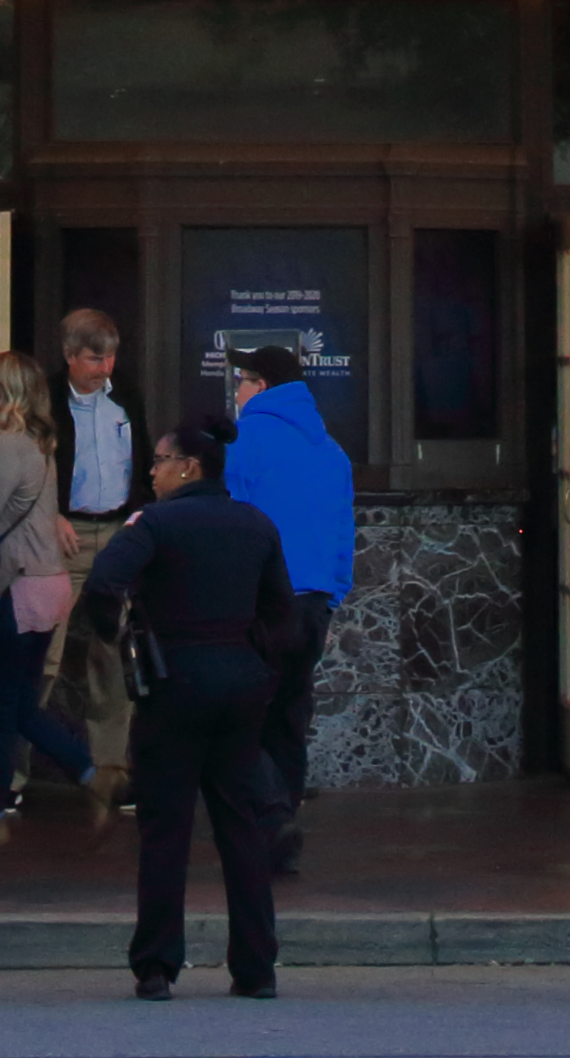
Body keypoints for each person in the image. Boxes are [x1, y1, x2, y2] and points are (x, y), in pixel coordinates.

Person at [88, 421, 296, 1003]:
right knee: (242, 825)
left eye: (158, 461)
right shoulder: (256, 524)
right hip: (239, 681)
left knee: (165, 827)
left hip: (173, 681)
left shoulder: (153, 524)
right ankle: (256, 968)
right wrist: (253, 652)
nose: (150, 471)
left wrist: (121, 633)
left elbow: (104, 582)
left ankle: (156, 965)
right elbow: (285, 611)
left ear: (189, 467)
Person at [0, 348, 93, 854]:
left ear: (7, 393)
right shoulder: (36, 445)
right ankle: (96, 776)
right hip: (43, 587)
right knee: (22, 707)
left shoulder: (7, 449)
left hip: (14, 591)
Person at [223, 344, 353, 867]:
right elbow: (344, 533)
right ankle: (282, 826)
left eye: (241, 381)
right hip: (315, 604)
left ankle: (274, 820)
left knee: (241, 718)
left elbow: (230, 521)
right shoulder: (332, 450)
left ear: (260, 386)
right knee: (290, 719)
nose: (235, 392)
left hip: (262, 603)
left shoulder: (243, 439)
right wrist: (333, 595)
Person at [44, 308, 140, 829]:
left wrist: (138, 520)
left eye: (110, 356)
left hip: (117, 531)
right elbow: (31, 464)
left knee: (112, 654)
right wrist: (50, 512)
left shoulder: (125, 395)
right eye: (93, 358)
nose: (104, 367)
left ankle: (111, 771)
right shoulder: (48, 400)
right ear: (69, 356)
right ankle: (7, 778)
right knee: (44, 652)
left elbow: (141, 454)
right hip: (67, 533)